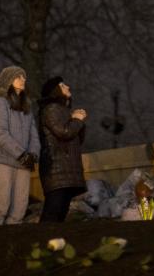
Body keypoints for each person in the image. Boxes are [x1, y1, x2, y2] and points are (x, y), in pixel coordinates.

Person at [0, 65, 40, 225]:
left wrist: (33, 155)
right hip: (3, 162)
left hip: (24, 164)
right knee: (0, 206)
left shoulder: (26, 107)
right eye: (18, 77)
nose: (23, 79)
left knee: (19, 210)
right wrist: (21, 154)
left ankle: (12, 246)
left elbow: (34, 136)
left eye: (24, 77)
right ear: (8, 81)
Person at [38, 76, 87, 222]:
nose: (68, 87)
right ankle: (41, 242)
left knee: (59, 214)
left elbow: (77, 140)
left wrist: (76, 120)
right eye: (63, 85)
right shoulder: (51, 109)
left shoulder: (63, 110)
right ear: (56, 90)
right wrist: (77, 120)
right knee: (53, 213)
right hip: (57, 170)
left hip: (65, 171)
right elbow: (64, 132)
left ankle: (52, 242)